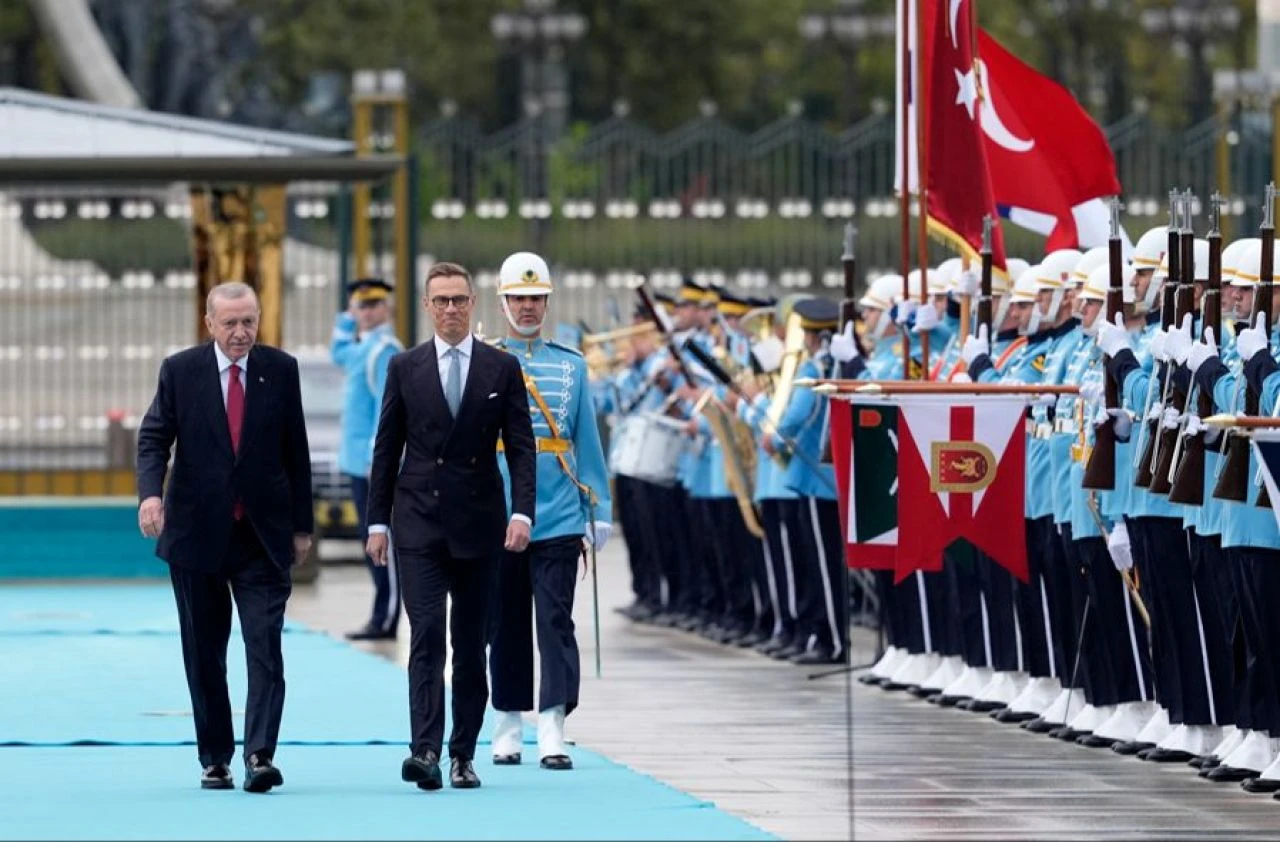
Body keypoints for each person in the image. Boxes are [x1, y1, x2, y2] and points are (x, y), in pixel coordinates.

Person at [364, 261, 536, 792]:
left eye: (459, 300)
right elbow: (386, 447)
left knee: (469, 643)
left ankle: (463, 752)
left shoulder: (499, 369)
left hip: (480, 522)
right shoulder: (404, 366)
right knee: (426, 636)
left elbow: (523, 445)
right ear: (427, 306)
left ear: (474, 303)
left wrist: (522, 512)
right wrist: (376, 521)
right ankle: (425, 750)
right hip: (418, 521)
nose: (451, 310)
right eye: (440, 301)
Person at [136, 281, 313, 794]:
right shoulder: (181, 371)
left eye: (249, 322)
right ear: (209, 323)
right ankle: (216, 756)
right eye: (230, 323)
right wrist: (151, 495)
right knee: (204, 650)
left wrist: (301, 526)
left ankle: (259, 754)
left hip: (262, 535)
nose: (240, 333)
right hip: (197, 535)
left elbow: (295, 450)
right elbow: (153, 438)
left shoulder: (280, 369)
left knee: (264, 647)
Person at [485, 252, 612, 771]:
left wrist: (596, 505)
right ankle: (509, 720)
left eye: (536, 299)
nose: (529, 308)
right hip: (501, 505)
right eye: (519, 298)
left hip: (558, 507)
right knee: (504, 620)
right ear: (503, 301)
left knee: (555, 619)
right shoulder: (487, 359)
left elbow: (586, 438)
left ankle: (554, 721)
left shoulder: (571, 364)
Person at [330, 277, 404, 641]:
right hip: (357, 460)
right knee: (369, 538)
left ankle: (386, 618)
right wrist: (347, 316)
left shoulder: (385, 349)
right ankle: (380, 615)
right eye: (362, 305)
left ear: (386, 307)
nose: (367, 311)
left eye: (374, 305)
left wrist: (380, 456)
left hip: (373, 460)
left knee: (381, 538)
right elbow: (338, 352)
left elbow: (387, 408)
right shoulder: (363, 347)